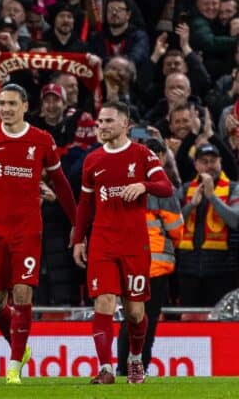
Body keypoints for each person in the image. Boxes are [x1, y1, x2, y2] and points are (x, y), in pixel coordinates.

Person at [0, 83, 77, 384]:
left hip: (27, 230)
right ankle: (18, 346)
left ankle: (13, 367)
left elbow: (61, 184)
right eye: (2, 104)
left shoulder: (41, 140)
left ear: (25, 106)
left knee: (22, 293)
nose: (6, 109)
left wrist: (78, 222)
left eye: (12, 104)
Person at [72, 101, 173, 384]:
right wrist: (79, 239)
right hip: (102, 241)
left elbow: (166, 187)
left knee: (135, 311)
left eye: (108, 121)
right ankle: (105, 369)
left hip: (134, 243)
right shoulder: (92, 160)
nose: (101, 126)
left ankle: (135, 360)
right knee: (103, 302)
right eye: (99, 122)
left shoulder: (143, 154)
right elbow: (85, 204)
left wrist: (144, 185)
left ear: (125, 124)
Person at [117, 138, 184, 376]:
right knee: (149, 321)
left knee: (130, 319)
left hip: (129, 263)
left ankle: (122, 369)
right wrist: (167, 246)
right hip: (157, 267)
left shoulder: (123, 184)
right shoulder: (165, 189)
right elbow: (177, 230)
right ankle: (140, 368)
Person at [175, 144, 239, 306]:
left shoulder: (234, 188)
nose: (209, 165)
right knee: (188, 320)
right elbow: (172, 224)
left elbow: (235, 221)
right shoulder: (185, 189)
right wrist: (191, 205)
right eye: (204, 161)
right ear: (196, 165)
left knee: (219, 320)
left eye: (213, 161)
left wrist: (212, 197)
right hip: (187, 268)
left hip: (222, 270)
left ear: (220, 162)